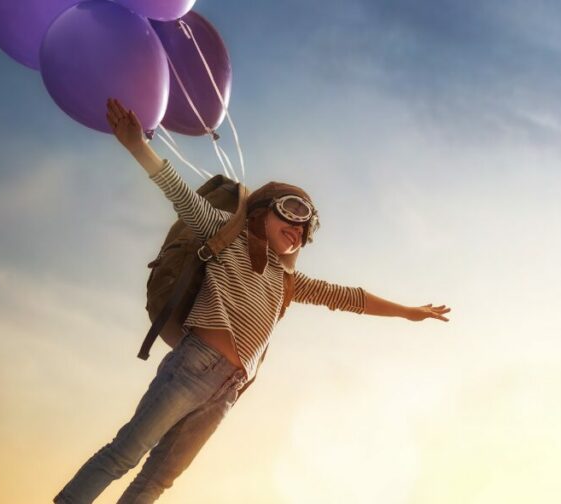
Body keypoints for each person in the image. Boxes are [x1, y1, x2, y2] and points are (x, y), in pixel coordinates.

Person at [53, 98, 451, 504]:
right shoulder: (227, 236)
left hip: (227, 392)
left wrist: (408, 312)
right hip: (194, 365)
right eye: (291, 214)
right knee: (125, 454)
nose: (297, 229)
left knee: (156, 482)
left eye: (305, 228)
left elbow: (350, 298)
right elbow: (179, 193)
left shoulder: (287, 281)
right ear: (263, 211)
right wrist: (137, 146)